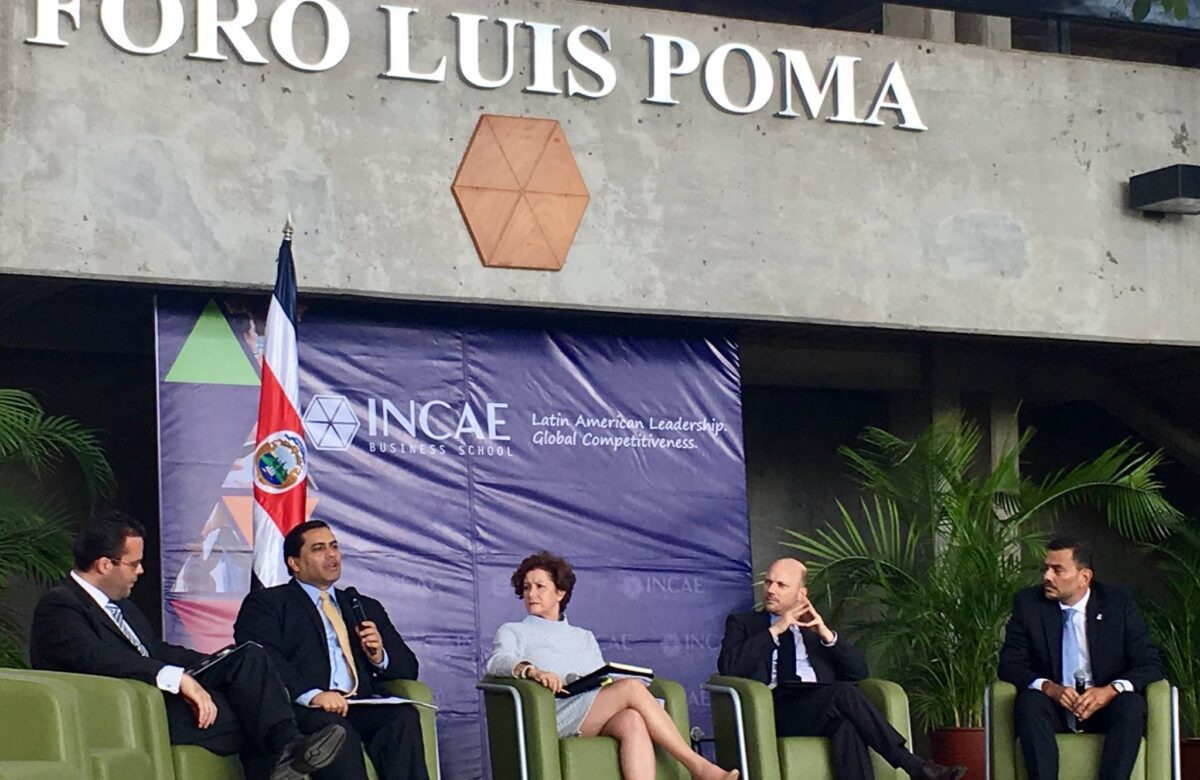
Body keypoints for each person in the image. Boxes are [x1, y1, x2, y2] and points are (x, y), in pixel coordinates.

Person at [29, 510, 346, 780]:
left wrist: (219, 661)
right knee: (254, 712)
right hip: (129, 708)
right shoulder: (60, 606)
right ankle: (288, 751)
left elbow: (157, 650)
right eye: (134, 564)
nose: (141, 571)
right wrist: (176, 677)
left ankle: (288, 748)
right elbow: (99, 659)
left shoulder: (122, 605)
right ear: (103, 565)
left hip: (158, 695)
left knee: (248, 656)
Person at [485, 550, 738, 780]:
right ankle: (698, 767)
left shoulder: (583, 636)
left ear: (560, 592)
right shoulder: (513, 630)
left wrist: (607, 679)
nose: (531, 594)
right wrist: (532, 670)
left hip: (586, 707)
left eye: (540, 586)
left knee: (632, 720)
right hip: (551, 714)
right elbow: (497, 661)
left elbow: (597, 676)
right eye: (526, 587)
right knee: (631, 689)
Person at [718, 557, 965, 780]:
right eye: (768, 582)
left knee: (846, 727)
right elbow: (729, 667)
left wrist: (826, 635)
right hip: (774, 708)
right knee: (843, 692)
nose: (771, 590)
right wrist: (776, 629)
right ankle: (915, 767)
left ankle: (918, 769)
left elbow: (859, 673)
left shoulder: (813, 629)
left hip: (819, 705)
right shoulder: (744, 623)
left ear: (801, 594)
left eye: (781, 585)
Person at [234, 520, 427, 780]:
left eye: (334, 546)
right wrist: (313, 695)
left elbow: (409, 668)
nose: (331, 554)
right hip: (303, 709)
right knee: (336, 731)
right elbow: (263, 658)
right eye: (319, 549)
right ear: (294, 563)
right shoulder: (268, 603)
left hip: (358, 703)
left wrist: (379, 656)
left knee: (402, 718)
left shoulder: (362, 605)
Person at [998, 537, 1162, 780]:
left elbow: (1150, 663)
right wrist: (1049, 688)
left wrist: (1110, 691)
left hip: (1104, 707)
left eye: (1058, 570)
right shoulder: (1029, 604)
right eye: (1046, 568)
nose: (1047, 577)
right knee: (1029, 703)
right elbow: (1010, 664)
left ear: (1084, 577)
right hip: (1054, 707)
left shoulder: (1117, 603)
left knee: (1131, 705)